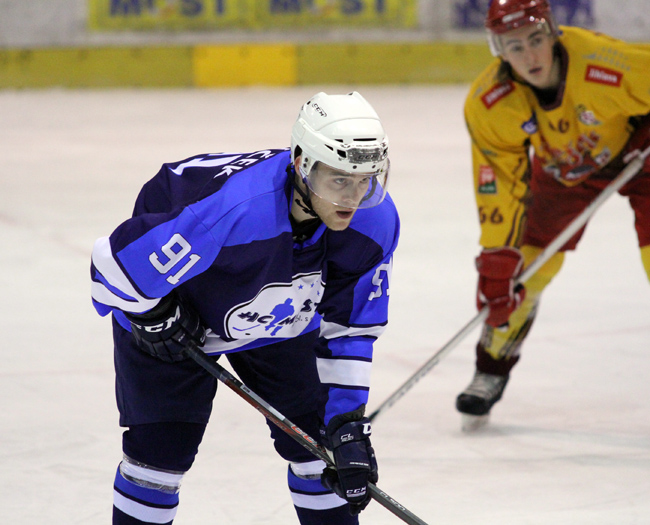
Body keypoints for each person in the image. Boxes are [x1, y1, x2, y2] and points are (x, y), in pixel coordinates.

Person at [90, 91, 399, 524]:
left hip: (279, 312)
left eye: (365, 179)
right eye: (339, 181)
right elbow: (111, 267)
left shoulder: (373, 220)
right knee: (158, 457)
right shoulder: (232, 210)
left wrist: (346, 422)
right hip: (184, 307)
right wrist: (153, 315)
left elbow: (350, 328)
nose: (354, 197)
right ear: (301, 165)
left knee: (320, 450)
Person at [457, 0, 650, 428]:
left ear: (552, 31)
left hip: (642, 156)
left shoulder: (604, 65)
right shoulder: (492, 103)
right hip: (565, 169)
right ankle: (490, 369)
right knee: (522, 273)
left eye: (535, 39)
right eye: (515, 46)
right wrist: (498, 258)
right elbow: (501, 186)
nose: (530, 55)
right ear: (498, 51)